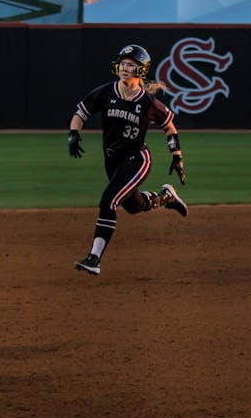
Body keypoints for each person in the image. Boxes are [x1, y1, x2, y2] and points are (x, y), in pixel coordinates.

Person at [68, 44, 188, 276]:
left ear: (141, 70)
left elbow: (170, 128)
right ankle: (166, 197)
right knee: (133, 206)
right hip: (112, 161)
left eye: (130, 65)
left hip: (137, 159)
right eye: (123, 63)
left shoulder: (148, 102)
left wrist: (177, 157)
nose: (124, 68)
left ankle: (94, 258)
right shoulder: (106, 92)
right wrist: (73, 133)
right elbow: (80, 113)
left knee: (108, 201)